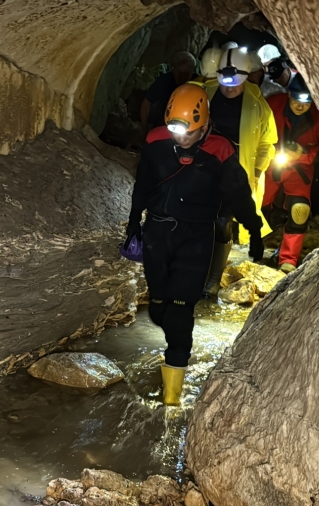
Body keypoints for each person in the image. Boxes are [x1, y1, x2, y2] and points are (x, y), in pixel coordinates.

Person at [124, 83, 263, 406]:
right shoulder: (156, 141)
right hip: (158, 233)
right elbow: (143, 184)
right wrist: (133, 222)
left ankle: (172, 398)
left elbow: (239, 195)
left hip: (196, 238)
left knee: (180, 312)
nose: (181, 138)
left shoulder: (220, 150)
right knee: (158, 308)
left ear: (204, 125)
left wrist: (254, 229)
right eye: (176, 130)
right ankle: (173, 343)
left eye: (189, 132)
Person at [202, 45, 277, 296]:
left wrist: (256, 171)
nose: (229, 88)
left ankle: (214, 278)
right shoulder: (206, 93)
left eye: (234, 84)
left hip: (236, 173)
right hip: (205, 168)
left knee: (222, 221)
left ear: (245, 77)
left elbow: (267, 142)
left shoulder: (257, 104)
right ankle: (198, 269)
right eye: (224, 84)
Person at [263, 74, 319, 273]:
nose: (300, 106)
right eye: (297, 100)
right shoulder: (273, 105)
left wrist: (304, 153)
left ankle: (288, 259)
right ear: (289, 95)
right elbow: (255, 128)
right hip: (269, 163)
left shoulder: (318, 118)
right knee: (257, 203)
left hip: (299, 168)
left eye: (306, 102)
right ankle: (253, 242)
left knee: (300, 209)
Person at [140, 52, 197, 135]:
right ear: (174, 69)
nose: (183, 77)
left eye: (186, 73)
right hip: (162, 126)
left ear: (192, 71)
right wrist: (144, 128)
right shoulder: (163, 82)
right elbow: (146, 104)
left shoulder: (197, 83)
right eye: (180, 73)